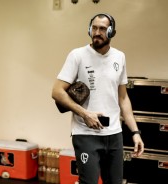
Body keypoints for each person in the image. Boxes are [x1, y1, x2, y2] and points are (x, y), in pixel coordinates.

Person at [52, 13, 144, 184]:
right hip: (85, 134)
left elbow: (123, 98)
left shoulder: (119, 57)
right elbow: (57, 91)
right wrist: (85, 114)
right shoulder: (77, 55)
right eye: (94, 28)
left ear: (111, 32)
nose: (97, 32)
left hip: (114, 134)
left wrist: (135, 132)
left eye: (102, 28)